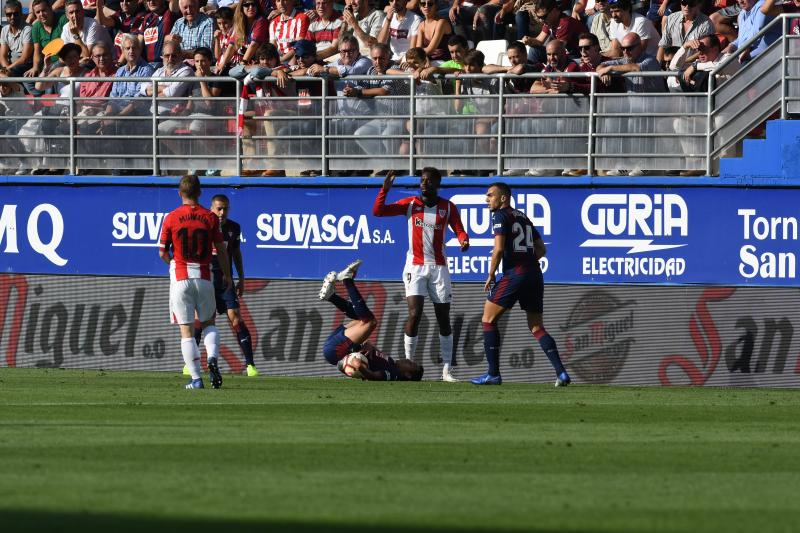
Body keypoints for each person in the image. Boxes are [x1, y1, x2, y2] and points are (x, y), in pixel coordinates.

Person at [372, 168, 469, 382]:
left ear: (437, 184)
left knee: (443, 318)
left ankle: (447, 371)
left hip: (439, 268)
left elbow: (459, 229)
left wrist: (463, 239)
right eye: (422, 180)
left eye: (429, 180)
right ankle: (408, 366)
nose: (424, 183)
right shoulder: (411, 204)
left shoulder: (448, 207)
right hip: (415, 267)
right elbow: (378, 211)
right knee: (414, 314)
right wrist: (384, 190)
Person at [471, 182, 570, 387]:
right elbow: (542, 249)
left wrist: (491, 274)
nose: (486, 199)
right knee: (536, 326)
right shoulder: (523, 216)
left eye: (490, 195)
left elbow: (498, 249)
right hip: (534, 273)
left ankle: (493, 374)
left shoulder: (500, 216)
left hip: (515, 274)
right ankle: (561, 373)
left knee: (488, 319)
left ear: (503, 198)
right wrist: (526, 260)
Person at [159, 175, 232, 390]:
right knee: (209, 323)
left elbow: (162, 251)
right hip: (204, 277)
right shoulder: (209, 218)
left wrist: (173, 262)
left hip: (180, 277)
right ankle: (212, 357)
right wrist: (228, 275)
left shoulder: (171, 217)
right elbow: (221, 250)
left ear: (180, 193)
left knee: (187, 331)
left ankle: (196, 379)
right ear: (200, 193)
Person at [319, 259, 424, 382]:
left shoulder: (393, 374)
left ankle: (347, 280)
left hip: (336, 350)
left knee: (370, 322)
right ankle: (331, 296)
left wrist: (360, 367)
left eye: (411, 364)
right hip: (339, 345)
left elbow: (374, 377)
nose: (408, 360)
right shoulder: (391, 363)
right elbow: (371, 358)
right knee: (361, 318)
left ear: (408, 375)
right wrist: (369, 346)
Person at [191, 194, 260, 377]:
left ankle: (250, 365)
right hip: (205, 280)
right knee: (203, 320)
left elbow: (236, 253)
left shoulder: (233, 228)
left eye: (225, 208)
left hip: (225, 281)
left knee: (235, 317)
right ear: (211, 208)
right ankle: (190, 362)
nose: (222, 212)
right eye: (219, 208)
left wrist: (242, 279)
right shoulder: (203, 225)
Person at [656, 0, 714, 65]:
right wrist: (658, 67)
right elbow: (663, 45)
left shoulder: (706, 24)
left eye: (691, 3)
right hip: (672, 66)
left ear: (699, 5)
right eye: (684, 3)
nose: (687, 7)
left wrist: (680, 62)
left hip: (693, 67)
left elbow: (704, 51)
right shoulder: (671, 18)